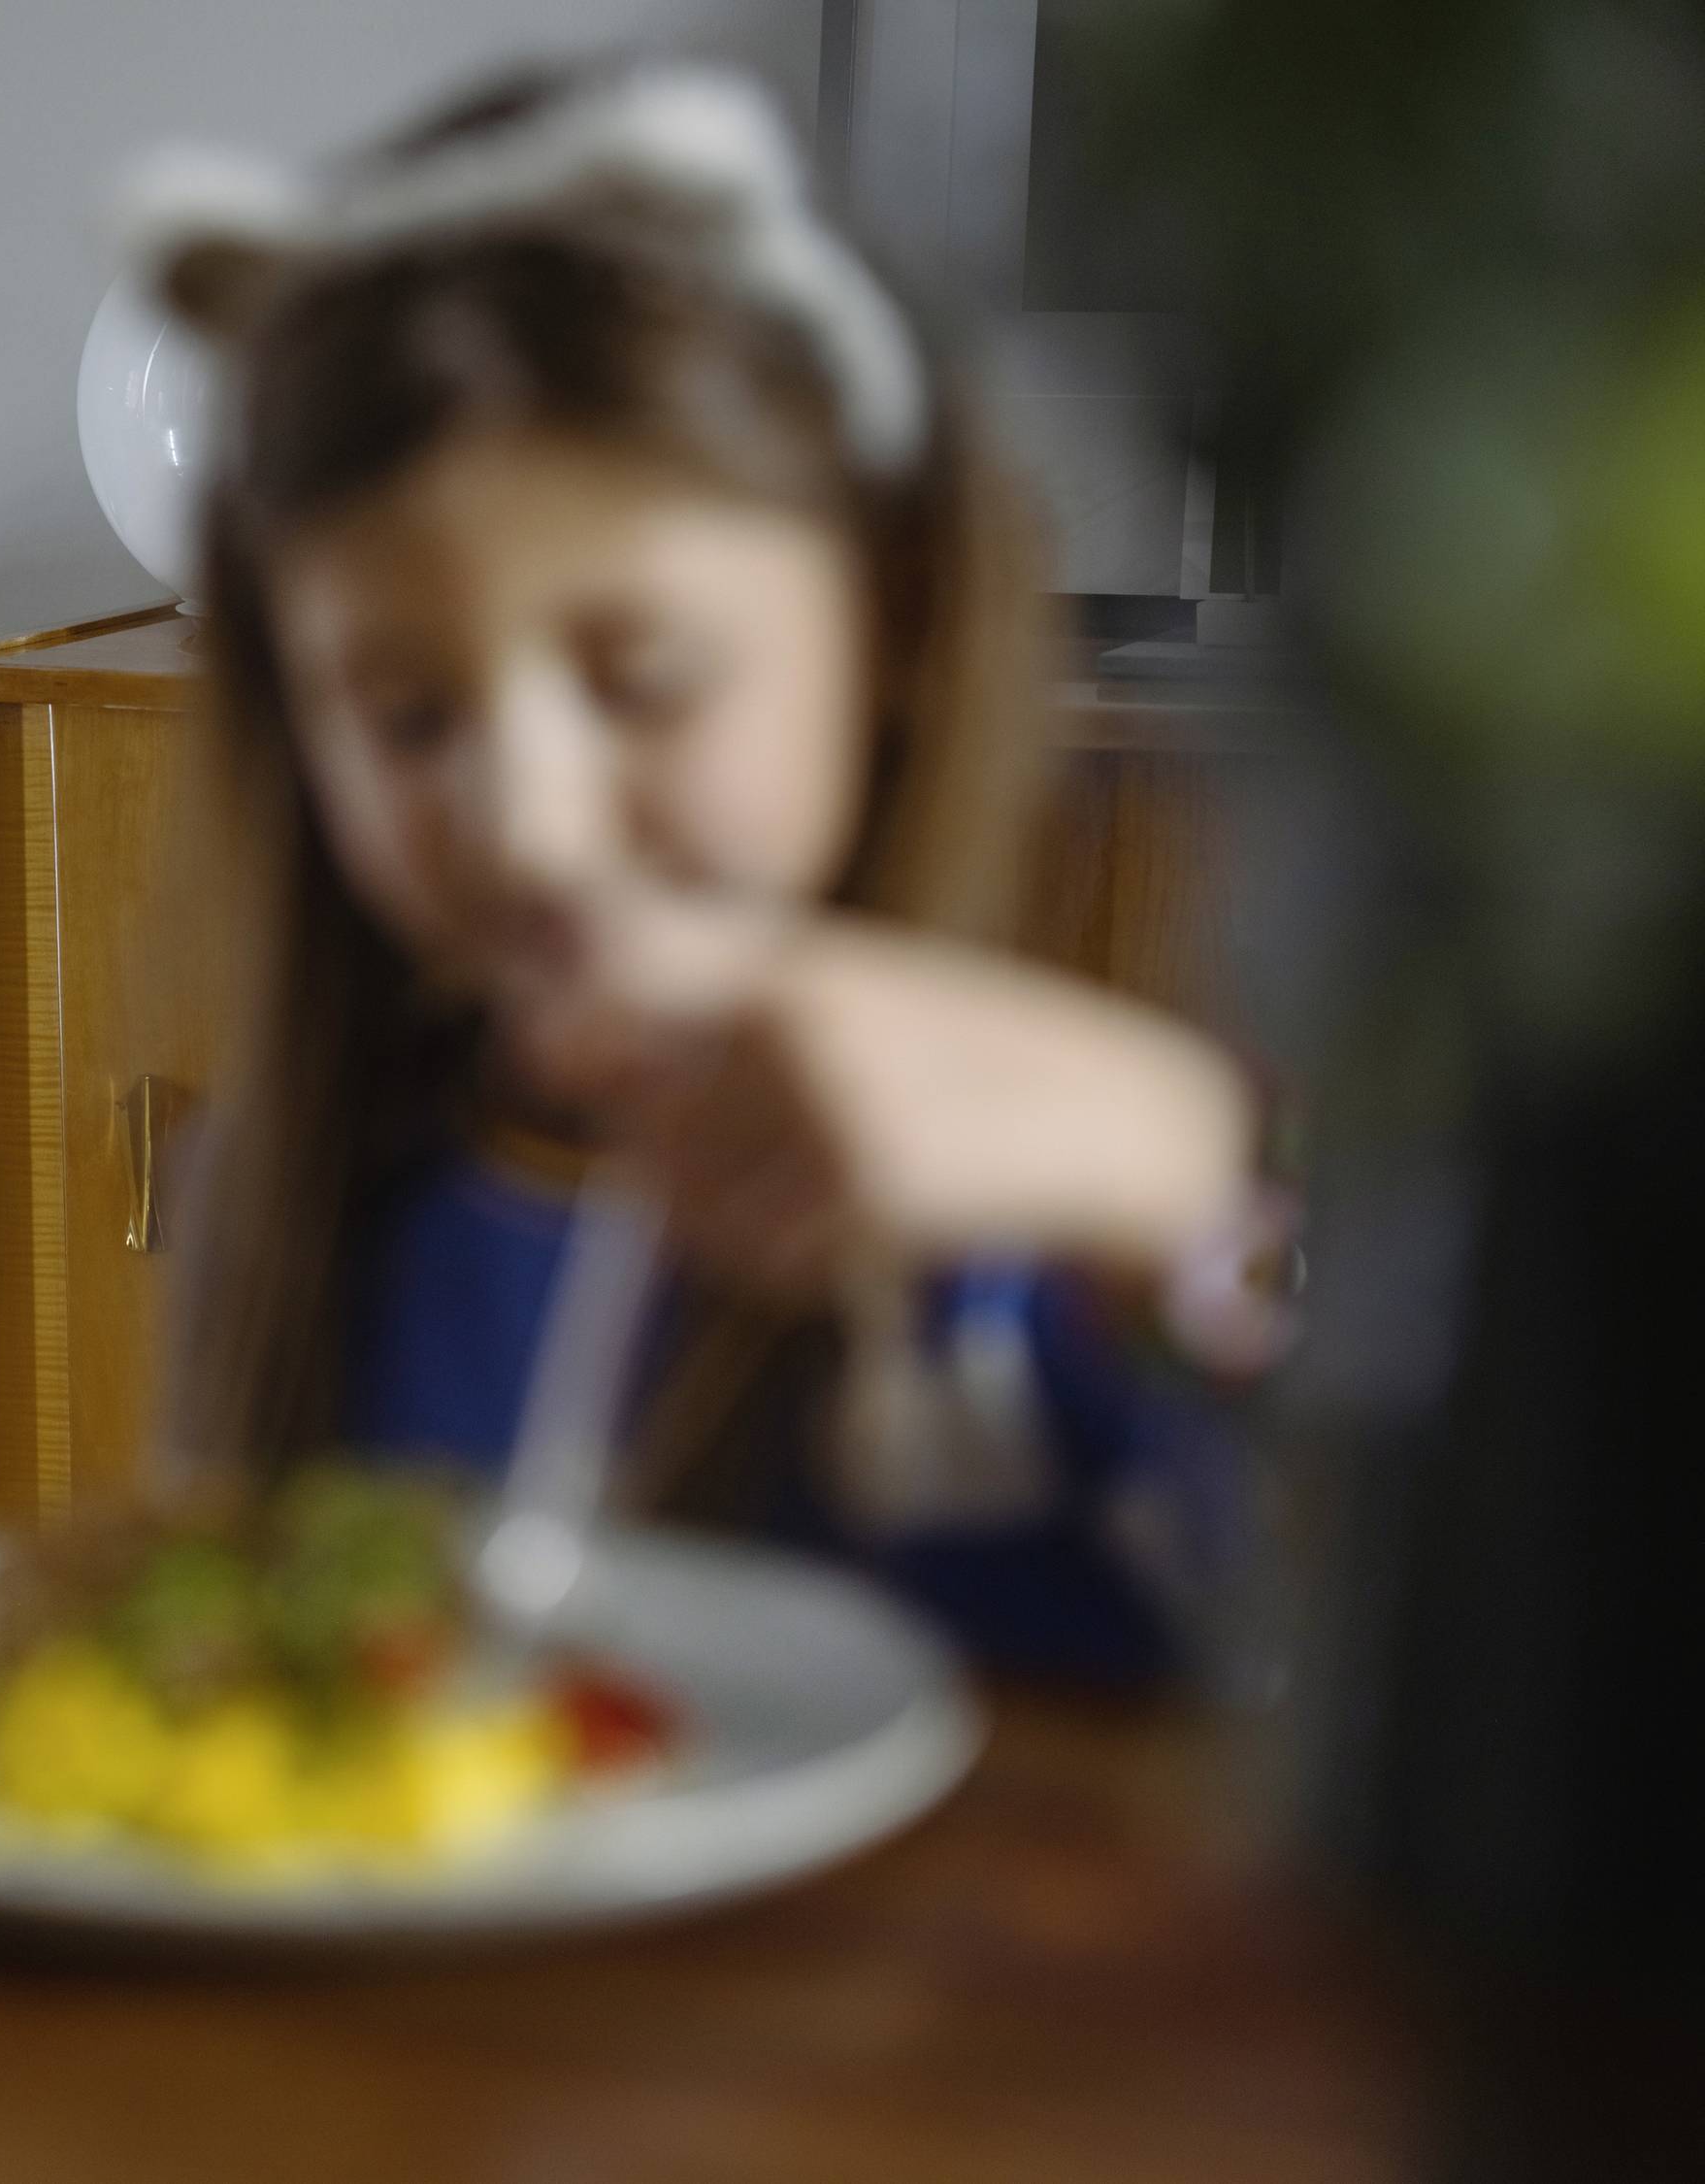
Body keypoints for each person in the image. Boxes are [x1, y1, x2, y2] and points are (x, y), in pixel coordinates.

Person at [134, 62, 1275, 1686]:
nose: (532, 822)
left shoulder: (1057, 1208)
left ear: (894, 612)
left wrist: (1173, 1157)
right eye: (406, 714)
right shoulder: (310, 1198)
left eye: (647, 677)